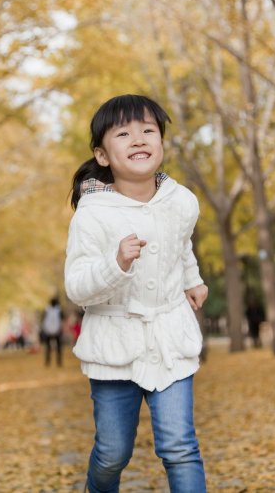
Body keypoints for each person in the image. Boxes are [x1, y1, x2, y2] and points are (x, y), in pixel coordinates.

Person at [64, 94, 208, 493]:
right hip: (114, 349)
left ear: (162, 143)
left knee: (180, 446)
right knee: (112, 454)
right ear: (103, 155)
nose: (139, 139)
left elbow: (181, 245)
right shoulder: (92, 214)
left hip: (168, 339)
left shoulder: (181, 202)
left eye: (148, 130)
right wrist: (116, 264)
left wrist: (191, 280)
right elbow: (77, 287)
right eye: (124, 133)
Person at [41, 297, 63, 366]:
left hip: (48, 330)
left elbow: (44, 319)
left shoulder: (47, 309)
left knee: (48, 347)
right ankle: (58, 361)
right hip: (56, 330)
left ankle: (48, 361)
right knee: (58, 347)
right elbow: (62, 318)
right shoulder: (59, 309)